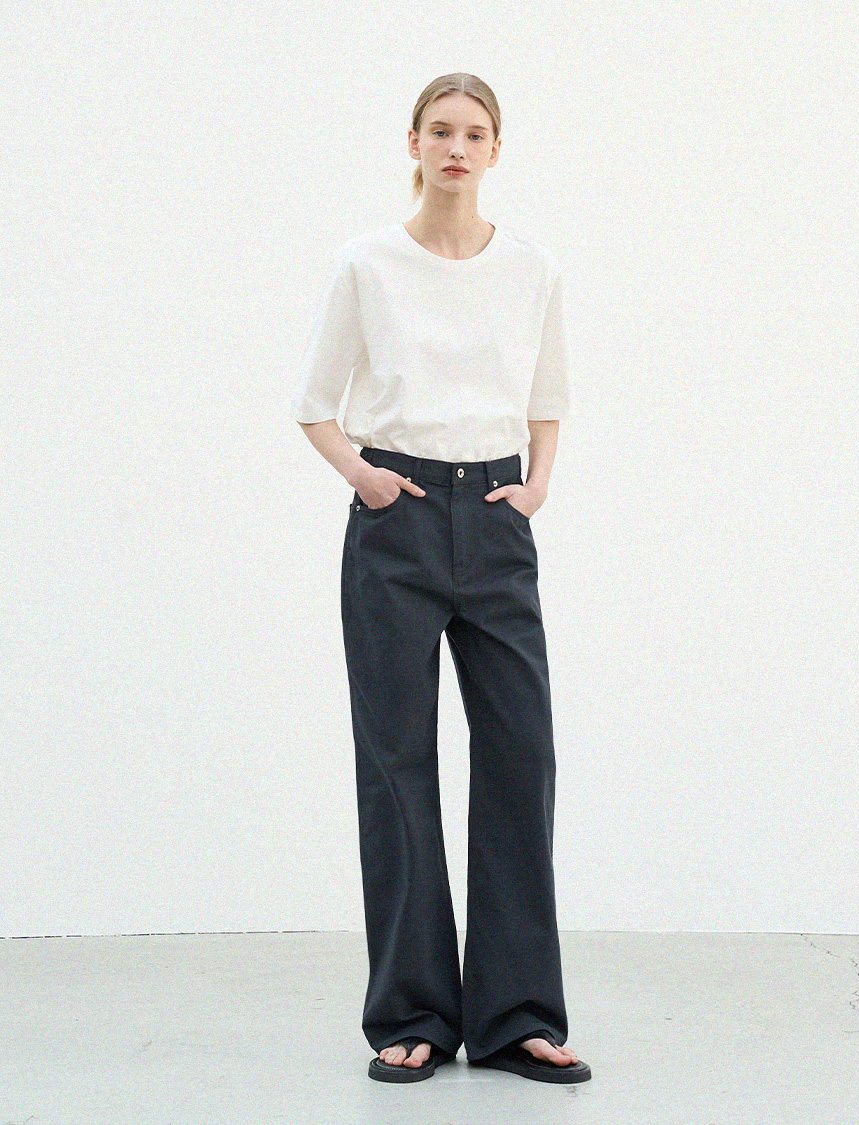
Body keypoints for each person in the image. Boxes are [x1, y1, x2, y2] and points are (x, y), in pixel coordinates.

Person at [291, 73, 590, 1085]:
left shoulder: (532, 268)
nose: (457, 148)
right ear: (413, 143)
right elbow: (313, 401)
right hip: (399, 520)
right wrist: (366, 477)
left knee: (520, 756)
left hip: (497, 517)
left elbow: (548, 391)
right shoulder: (367, 264)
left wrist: (537, 485)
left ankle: (517, 1015)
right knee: (397, 764)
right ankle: (413, 1011)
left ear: (496, 150)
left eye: (475, 133)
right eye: (440, 131)